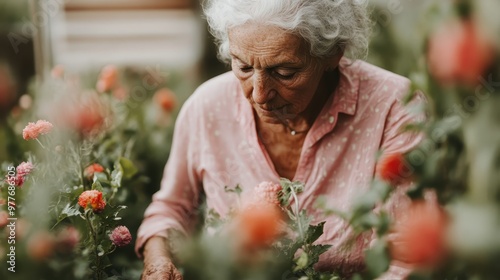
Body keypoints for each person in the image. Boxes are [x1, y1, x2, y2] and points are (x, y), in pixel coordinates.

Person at [136, 0, 426, 279]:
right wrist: (159, 261)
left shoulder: (394, 107)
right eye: (244, 67)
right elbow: (172, 210)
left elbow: (407, 257)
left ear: (332, 54)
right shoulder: (208, 108)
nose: (260, 94)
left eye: (285, 72)